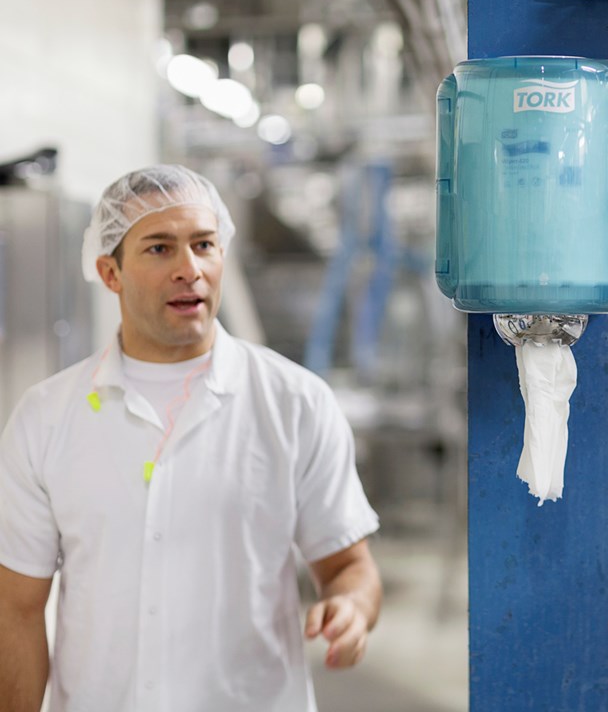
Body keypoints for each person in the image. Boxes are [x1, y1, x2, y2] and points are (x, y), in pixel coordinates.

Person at [0, 165, 382, 712]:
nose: (190, 269)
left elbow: (349, 567)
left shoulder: (295, 403)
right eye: (159, 248)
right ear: (110, 272)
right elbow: (15, 609)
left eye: (204, 245)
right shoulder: (47, 417)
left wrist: (351, 608)